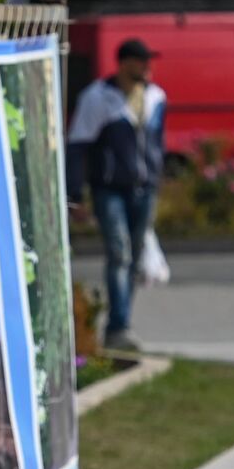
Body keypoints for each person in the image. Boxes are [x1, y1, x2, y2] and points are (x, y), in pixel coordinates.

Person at [66, 38, 167, 352]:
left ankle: (123, 318)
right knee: (119, 252)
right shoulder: (98, 98)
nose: (147, 66)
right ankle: (118, 326)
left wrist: (156, 175)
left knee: (134, 256)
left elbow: (157, 142)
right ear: (124, 63)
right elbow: (78, 145)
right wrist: (75, 194)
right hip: (109, 187)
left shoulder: (155, 97)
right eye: (140, 60)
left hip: (143, 186)